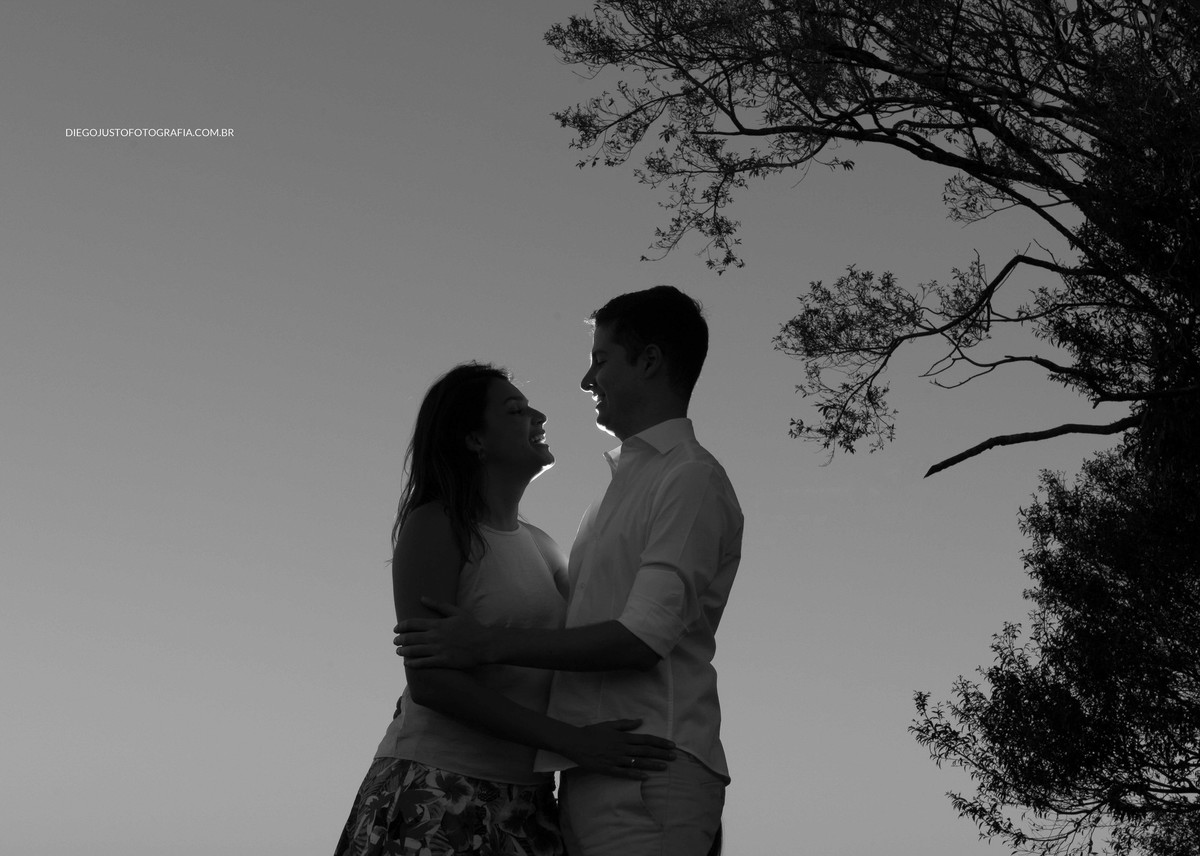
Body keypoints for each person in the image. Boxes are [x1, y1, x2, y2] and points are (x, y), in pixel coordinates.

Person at [396, 288, 743, 856]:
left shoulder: (689, 479)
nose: (586, 381)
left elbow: (642, 638)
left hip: (643, 765)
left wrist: (485, 642)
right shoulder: (615, 494)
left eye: (601, 360)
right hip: (583, 775)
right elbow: (434, 674)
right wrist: (570, 745)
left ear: (649, 361)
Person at [335, 362, 677, 856]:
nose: (539, 416)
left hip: (528, 803)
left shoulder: (543, 545)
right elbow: (431, 682)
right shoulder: (438, 525)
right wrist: (573, 742)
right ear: (475, 439)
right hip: (439, 788)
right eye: (516, 410)